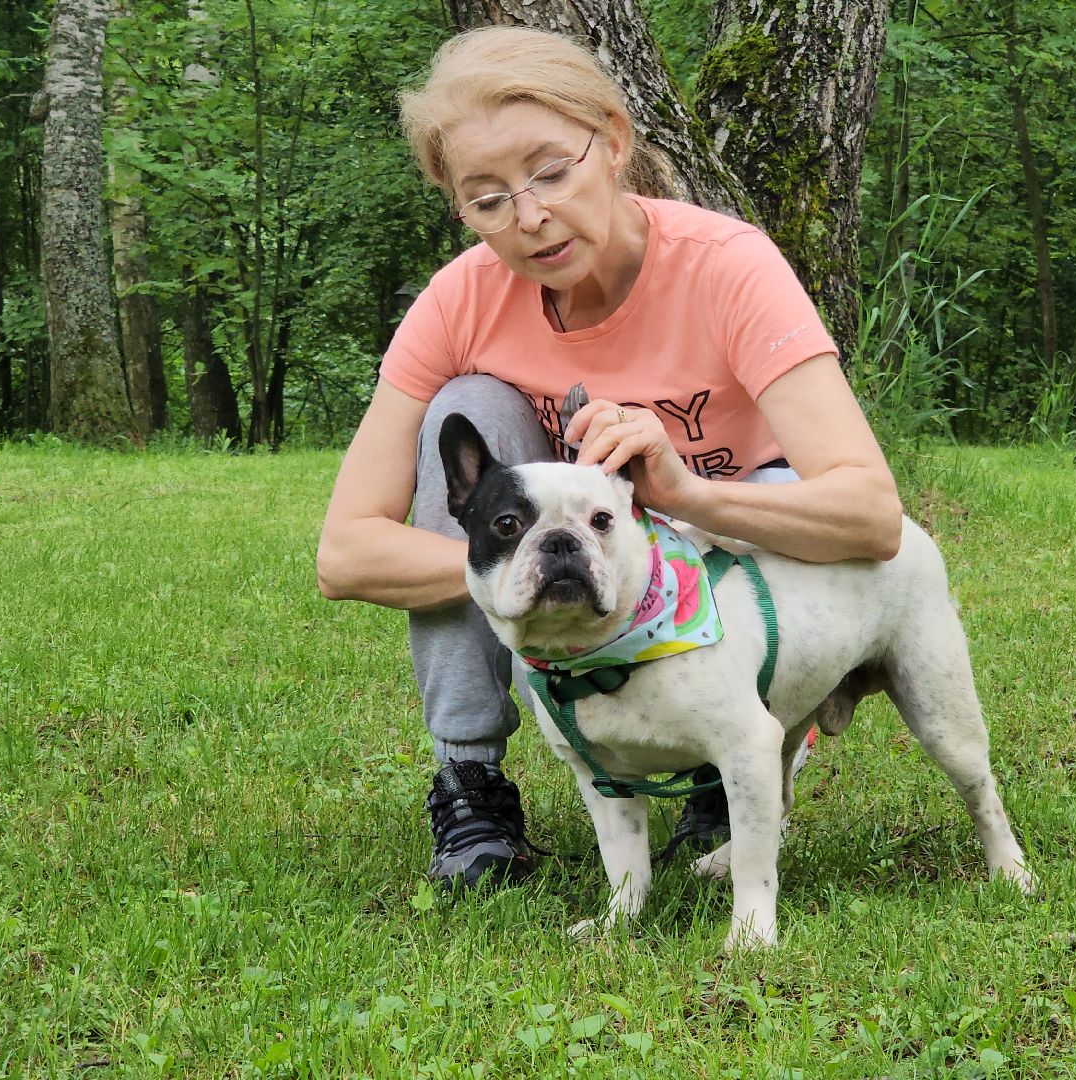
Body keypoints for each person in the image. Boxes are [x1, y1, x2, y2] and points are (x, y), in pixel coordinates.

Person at [315, 26, 903, 887]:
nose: (530, 216)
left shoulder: (728, 266)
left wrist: (683, 496)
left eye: (552, 172)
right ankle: (470, 782)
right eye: (487, 199)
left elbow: (870, 514)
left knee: (774, 493)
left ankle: (731, 755)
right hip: (586, 578)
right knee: (467, 408)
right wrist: (531, 564)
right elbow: (345, 552)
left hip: (730, 554)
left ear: (615, 142)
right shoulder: (461, 299)